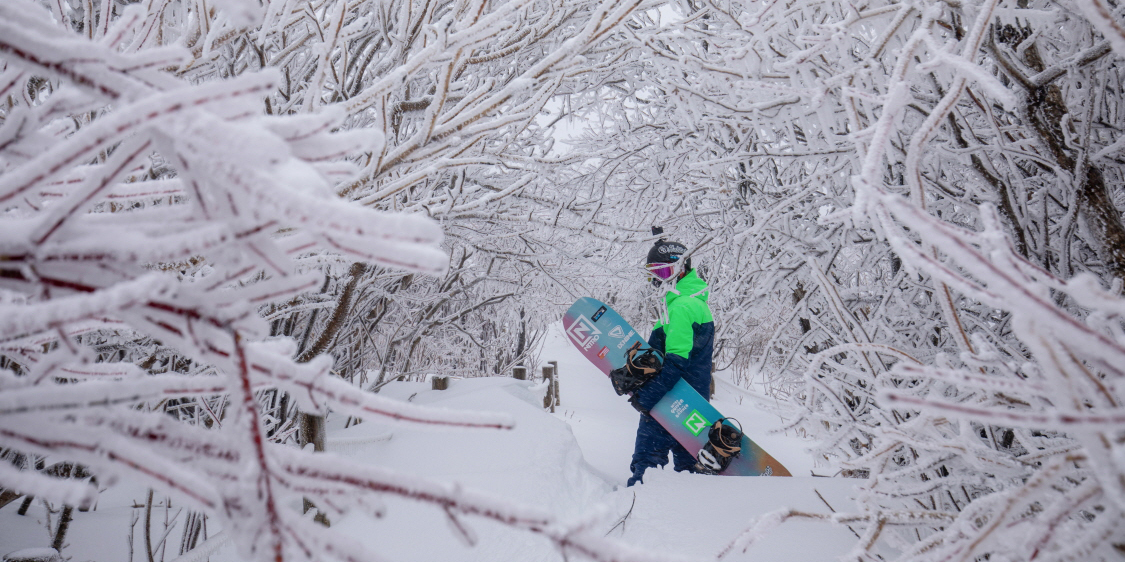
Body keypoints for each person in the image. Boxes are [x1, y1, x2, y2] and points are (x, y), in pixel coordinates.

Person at [625, 235, 714, 486]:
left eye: (663, 271)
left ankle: (636, 510)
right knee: (688, 471)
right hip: (691, 403)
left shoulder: (681, 308)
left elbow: (676, 361)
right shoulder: (693, 303)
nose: (656, 279)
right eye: (652, 272)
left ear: (680, 269)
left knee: (647, 463)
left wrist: (646, 398)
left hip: (670, 400)